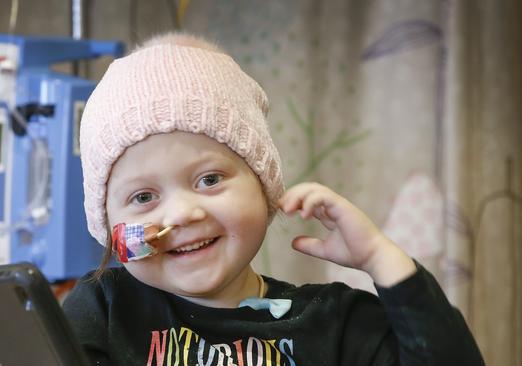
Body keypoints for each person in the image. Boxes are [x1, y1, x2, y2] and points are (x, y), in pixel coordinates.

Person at [63, 32, 484, 365]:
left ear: (265, 188)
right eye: (143, 196)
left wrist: (381, 259)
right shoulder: (102, 310)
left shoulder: (334, 323)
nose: (183, 213)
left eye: (209, 179)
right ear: (108, 228)